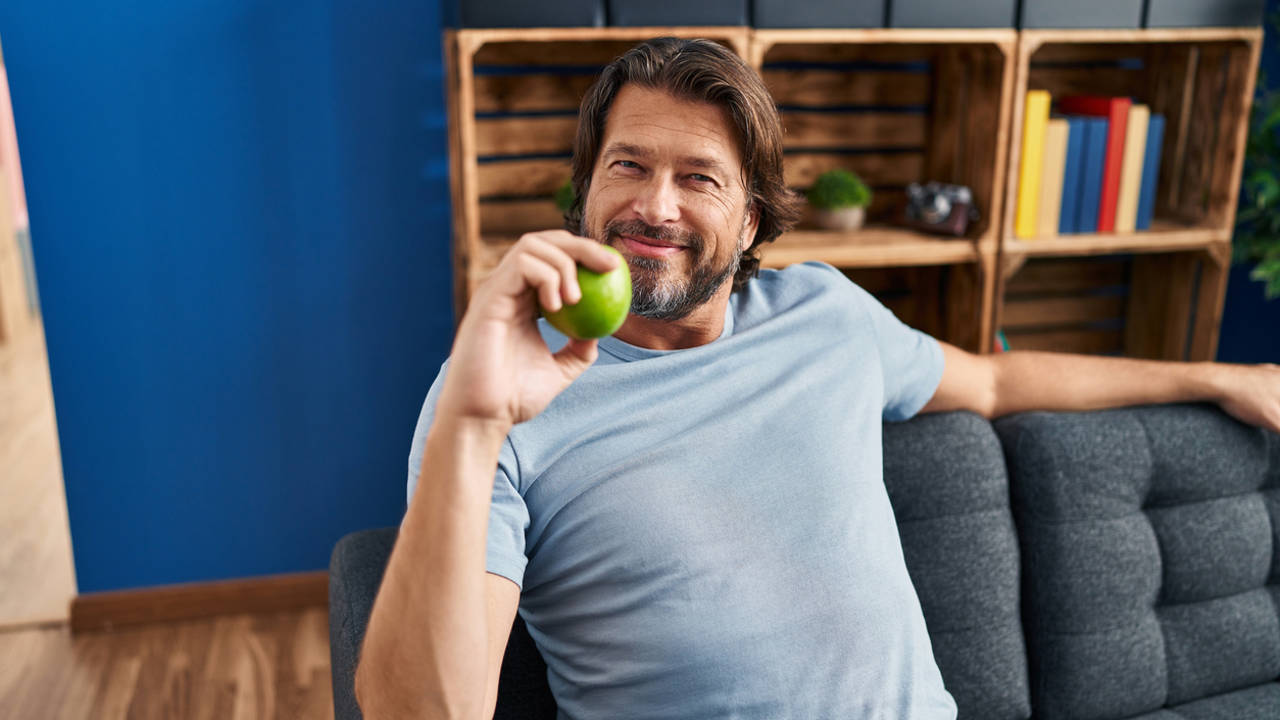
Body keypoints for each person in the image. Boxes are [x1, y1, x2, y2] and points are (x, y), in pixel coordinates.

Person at [355, 37, 1280, 719]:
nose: (654, 205)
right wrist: (473, 423)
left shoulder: (824, 315)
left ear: (753, 221)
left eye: (700, 178)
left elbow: (996, 385)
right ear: (586, 191)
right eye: (626, 166)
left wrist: (1215, 375)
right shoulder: (498, 393)